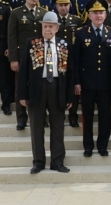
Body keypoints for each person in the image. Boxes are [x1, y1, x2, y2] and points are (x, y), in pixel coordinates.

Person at [18, 12, 72, 174]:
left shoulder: (64, 44)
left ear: (57, 28)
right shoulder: (32, 43)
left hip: (57, 87)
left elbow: (70, 73)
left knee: (58, 127)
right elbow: (23, 72)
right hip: (37, 88)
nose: (47, 30)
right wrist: (22, 95)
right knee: (36, 127)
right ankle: (38, 162)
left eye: (50, 27)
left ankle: (57, 161)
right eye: (45, 26)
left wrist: (69, 96)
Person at [73, 0, 111, 157]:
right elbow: (75, 60)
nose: (98, 15)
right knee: (88, 115)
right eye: (95, 13)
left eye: (101, 12)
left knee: (106, 116)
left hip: (106, 83)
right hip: (87, 83)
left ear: (105, 15)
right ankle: (88, 146)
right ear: (89, 15)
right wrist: (77, 82)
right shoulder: (80, 34)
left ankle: (103, 145)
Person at [8, 0, 48, 130]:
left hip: (39, 55)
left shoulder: (44, 13)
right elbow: (11, 37)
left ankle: (40, 117)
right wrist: (13, 59)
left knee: (41, 87)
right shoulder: (16, 13)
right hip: (22, 56)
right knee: (20, 87)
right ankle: (21, 118)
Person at [52, 0, 83, 128]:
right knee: (54, 87)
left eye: (66, 4)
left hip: (73, 59)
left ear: (70, 5)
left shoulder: (77, 20)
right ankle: (54, 116)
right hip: (54, 58)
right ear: (56, 6)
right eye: (60, 5)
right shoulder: (52, 20)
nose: (63, 7)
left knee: (72, 87)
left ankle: (73, 116)